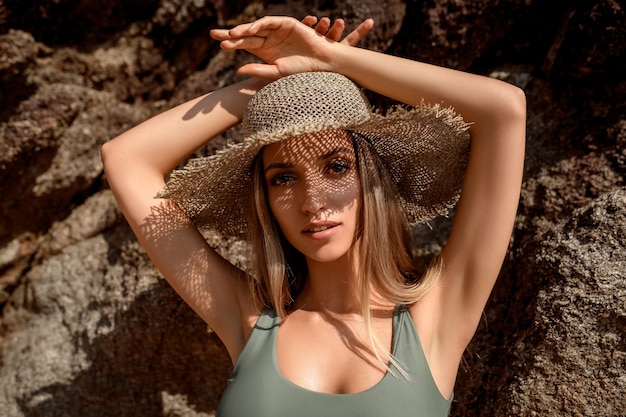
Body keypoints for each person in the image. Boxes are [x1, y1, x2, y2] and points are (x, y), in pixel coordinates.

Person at [101, 15, 526, 417]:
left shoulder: (435, 317)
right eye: (283, 178)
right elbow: (125, 159)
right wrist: (274, 83)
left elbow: (502, 110)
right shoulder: (249, 318)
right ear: (265, 199)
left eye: (337, 167)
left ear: (370, 178)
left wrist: (333, 61)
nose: (311, 201)